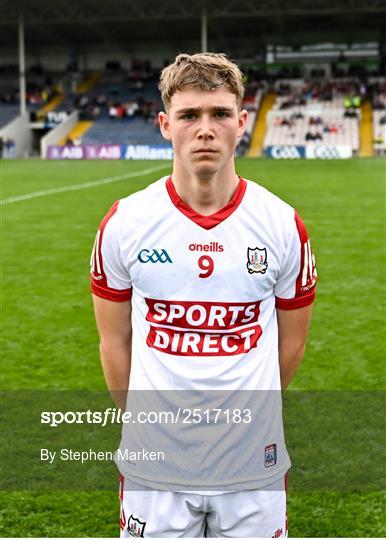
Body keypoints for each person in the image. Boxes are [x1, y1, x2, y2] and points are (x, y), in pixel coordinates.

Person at [91, 52, 317, 538]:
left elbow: (292, 345)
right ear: (164, 124)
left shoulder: (281, 225)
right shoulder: (125, 223)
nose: (205, 128)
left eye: (218, 114)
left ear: (241, 122)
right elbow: (114, 344)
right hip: (156, 466)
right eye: (189, 115)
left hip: (251, 463)